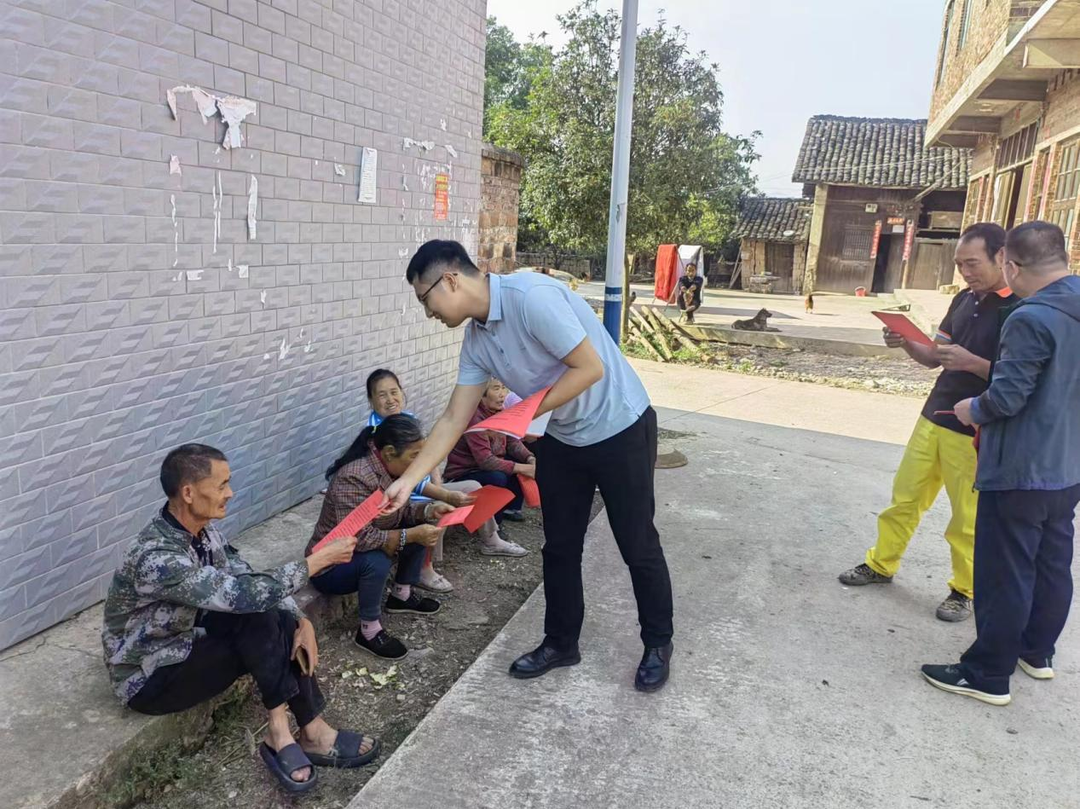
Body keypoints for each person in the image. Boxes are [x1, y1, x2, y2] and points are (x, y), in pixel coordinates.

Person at [390, 240, 674, 693]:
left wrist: (526, 412)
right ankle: (561, 642)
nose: (428, 313)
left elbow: (589, 368)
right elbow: (453, 417)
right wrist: (409, 479)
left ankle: (658, 642)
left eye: (425, 299)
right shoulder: (477, 340)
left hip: (621, 427)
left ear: (450, 279)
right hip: (564, 438)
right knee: (560, 547)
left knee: (636, 542)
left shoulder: (531, 298)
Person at [101, 444, 376, 794]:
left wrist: (299, 620)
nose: (230, 493)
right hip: (151, 677)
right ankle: (284, 730)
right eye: (221, 485)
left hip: (186, 638)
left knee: (275, 616)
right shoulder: (157, 556)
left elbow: (245, 576)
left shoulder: (203, 531)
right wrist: (317, 561)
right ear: (188, 492)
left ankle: (310, 730)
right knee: (256, 618)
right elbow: (241, 595)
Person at [922, 221, 1080, 706]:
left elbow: (1007, 396)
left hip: (1020, 467)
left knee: (1004, 571)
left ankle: (987, 672)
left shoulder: (1031, 317)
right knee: (1053, 564)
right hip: (1068, 465)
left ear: (1010, 263)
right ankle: (1037, 652)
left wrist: (974, 410)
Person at [838, 223, 1017, 621]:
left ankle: (963, 590)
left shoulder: (1019, 308)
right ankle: (881, 563)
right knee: (905, 497)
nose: (965, 272)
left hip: (975, 427)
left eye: (973, 263)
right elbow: (935, 356)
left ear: (1002, 257)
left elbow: (1021, 379)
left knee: (967, 517)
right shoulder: (963, 300)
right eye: (960, 264)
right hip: (933, 414)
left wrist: (972, 363)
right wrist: (906, 342)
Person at [308, 414, 525, 659]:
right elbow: (361, 538)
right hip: (331, 566)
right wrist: (410, 535)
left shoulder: (392, 468)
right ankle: (368, 630)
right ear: (389, 453)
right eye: (415, 456)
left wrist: (429, 510)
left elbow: (402, 510)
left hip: (363, 546)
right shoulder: (355, 478)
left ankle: (401, 595)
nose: (419, 464)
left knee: (421, 523)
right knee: (377, 560)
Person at [366, 368, 503, 592]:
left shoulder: (408, 419)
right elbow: (405, 481)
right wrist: (443, 494)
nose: (391, 400)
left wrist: (439, 484)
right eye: (382, 395)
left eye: (394, 392)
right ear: (371, 401)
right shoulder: (376, 435)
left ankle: (492, 540)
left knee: (474, 488)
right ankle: (424, 569)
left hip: (428, 489)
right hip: (403, 500)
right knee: (434, 509)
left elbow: (429, 458)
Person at [444, 378, 536, 523]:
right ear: (482, 394)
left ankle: (510, 508)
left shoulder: (501, 411)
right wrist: (524, 468)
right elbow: (486, 461)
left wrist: (530, 459)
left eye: (504, 388)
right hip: (466, 472)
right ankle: (494, 527)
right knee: (498, 476)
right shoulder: (474, 419)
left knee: (519, 462)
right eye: (496, 388)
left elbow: (512, 442)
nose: (502, 394)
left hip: (486, 467)